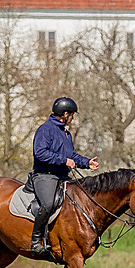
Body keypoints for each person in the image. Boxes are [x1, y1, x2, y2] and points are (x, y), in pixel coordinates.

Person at [29, 97, 99, 255]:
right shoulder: (45, 129)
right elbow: (40, 153)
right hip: (45, 176)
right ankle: (35, 241)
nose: (73, 118)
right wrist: (63, 160)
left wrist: (87, 163)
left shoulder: (65, 133)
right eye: (72, 115)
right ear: (65, 113)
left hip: (62, 177)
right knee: (47, 204)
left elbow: (71, 156)